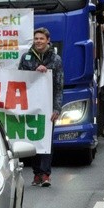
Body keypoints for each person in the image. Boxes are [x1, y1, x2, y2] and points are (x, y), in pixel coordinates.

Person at [18, 27, 63, 187]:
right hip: (30, 105)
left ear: (48, 41)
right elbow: (20, 79)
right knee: (34, 140)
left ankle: (45, 174)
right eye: (36, 38)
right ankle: (36, 173)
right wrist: (34, 71)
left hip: (47, 106)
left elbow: (58, 85)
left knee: (46, 141)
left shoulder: (55, 59)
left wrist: (57, 108)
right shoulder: (26, 57)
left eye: (41, 39)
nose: (38, 41)